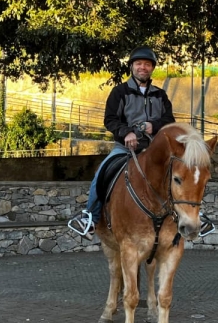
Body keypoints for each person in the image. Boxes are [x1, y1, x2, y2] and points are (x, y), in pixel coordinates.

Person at [67, 47, 181, 237]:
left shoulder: (160, 95)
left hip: (154, 150)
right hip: (125, 148)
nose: (142, 67)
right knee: (102, 172)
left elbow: (169, 120)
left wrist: (153, 125)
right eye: (138, 64)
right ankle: (90, 218)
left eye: (147, 64)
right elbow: (110, 119)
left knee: (184, 170)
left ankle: (192, 216)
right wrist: (126, 132)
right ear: (132, 67)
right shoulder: (120, 92)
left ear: (152, 68)